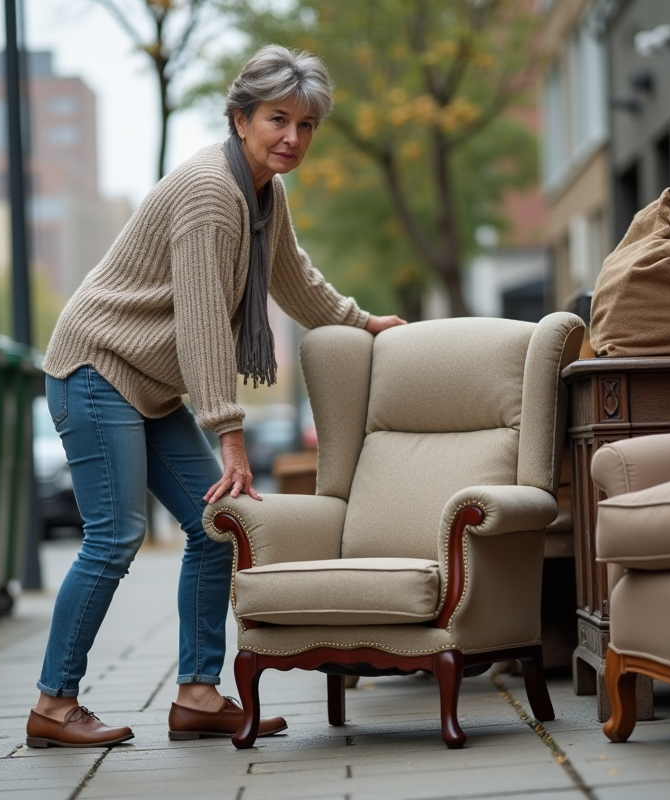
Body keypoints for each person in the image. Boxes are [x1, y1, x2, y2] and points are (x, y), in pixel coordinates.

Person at [24, 45, 406, 748]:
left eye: (305, 124)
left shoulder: (266, 193)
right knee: (114, 538)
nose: (292, 137)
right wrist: (230, 434)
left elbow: (292, 278)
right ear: (239, 119)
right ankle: (53, 703)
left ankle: (198, 694)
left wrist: (362, 322)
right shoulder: (209, 192)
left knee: (214, 528)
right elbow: (202, 319)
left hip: (147, 381)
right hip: (97, 367)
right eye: (276, 119)